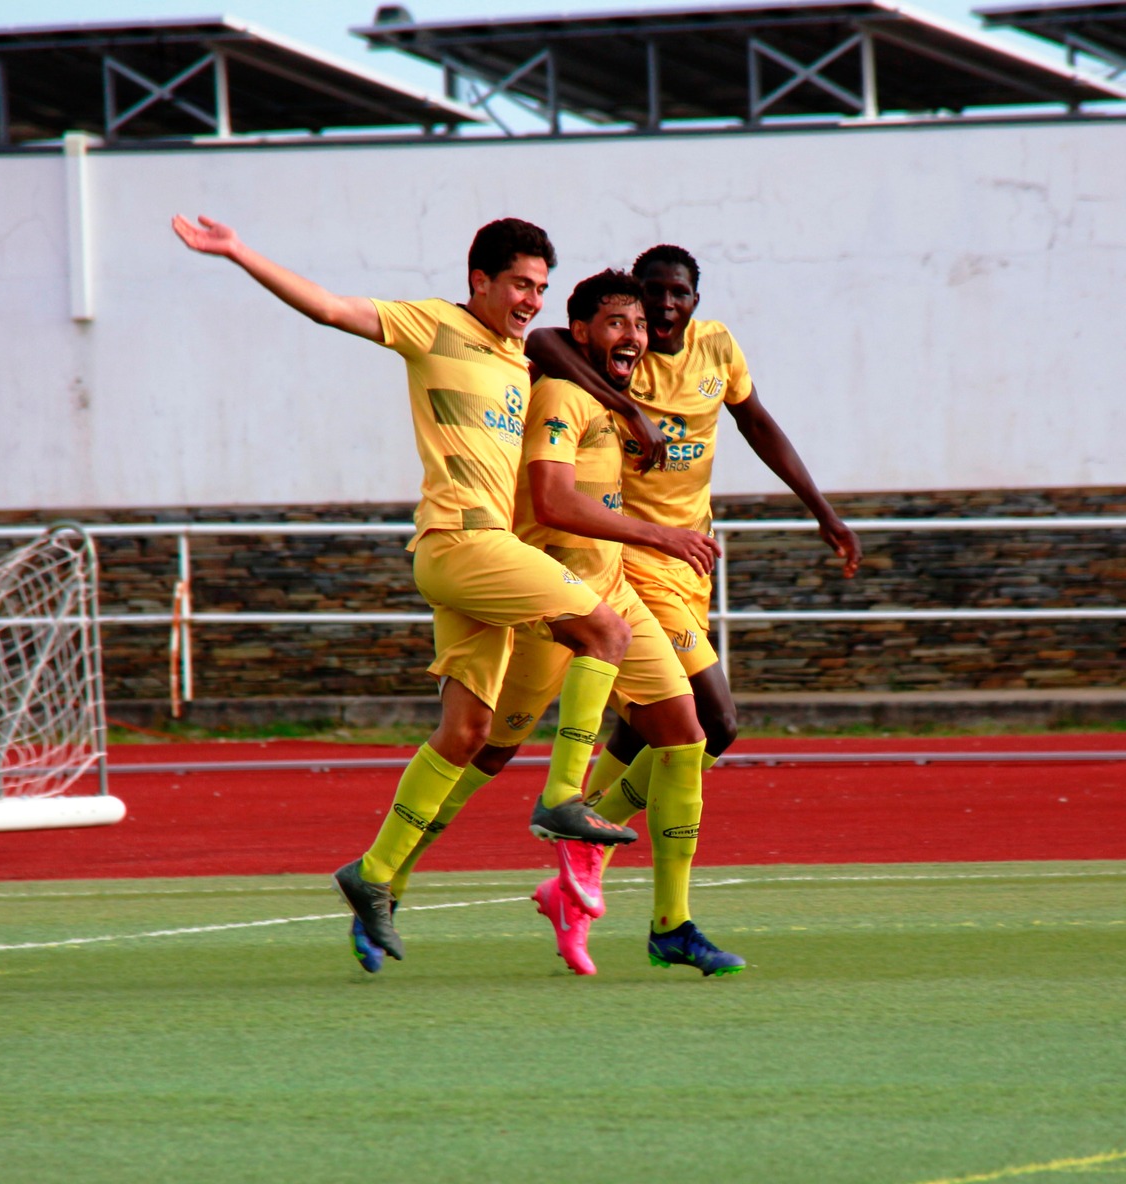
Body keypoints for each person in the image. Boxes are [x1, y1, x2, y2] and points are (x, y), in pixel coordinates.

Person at [171, 213, 639, 967]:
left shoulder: (522, 354)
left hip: (482, 556)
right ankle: (562, 797)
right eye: (520, 283)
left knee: (465, 735)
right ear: (478, 279)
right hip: (461, 540)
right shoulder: (431, 326)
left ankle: (374, 874)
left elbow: (561, 351)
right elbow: (329, 307)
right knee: (606, 633)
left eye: (541, 288)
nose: (531, 299)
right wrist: (237, 251)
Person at [359, 271, 746, 977]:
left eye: (637, 324)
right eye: (615, 323)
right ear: (582, 331)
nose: (632, 335)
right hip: (553, 607)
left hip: (613, 593)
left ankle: (672, 923)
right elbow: (554, 498)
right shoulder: (560, 393)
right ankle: (389, 876)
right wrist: (657, 536)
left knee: (688, 735)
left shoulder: (620, 392)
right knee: (484, 752)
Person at [532, 243, 861, 821]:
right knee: (716, 724)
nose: (662, 305)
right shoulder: (617, 358)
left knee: (645, 726)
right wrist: (627, 408)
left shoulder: (717, 346)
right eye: (650, 292)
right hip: (639, 554)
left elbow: (756, 421)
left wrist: (822, 510)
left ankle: (583, 844)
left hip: (692, 557)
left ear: (695, 301)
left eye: (677, 293)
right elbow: (542, 342)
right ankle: (583, 835)